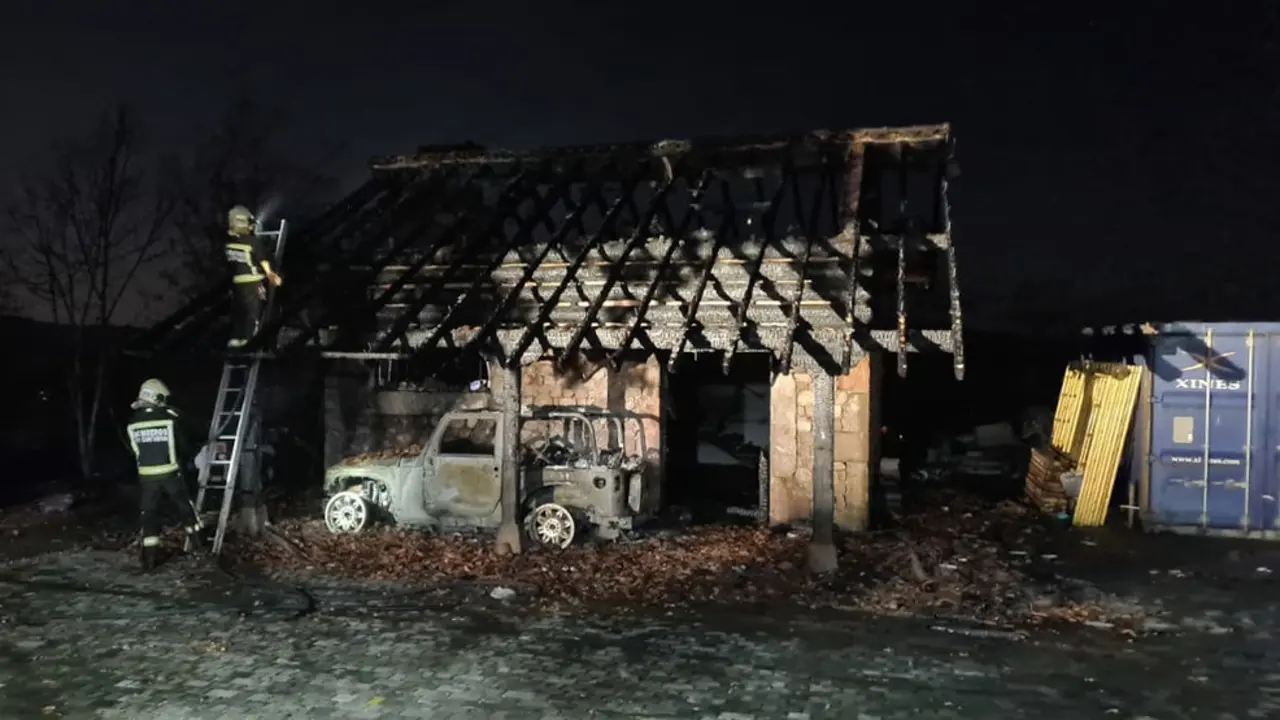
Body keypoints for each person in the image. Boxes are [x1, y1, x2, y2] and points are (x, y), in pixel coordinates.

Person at [125, 378, 203, 570]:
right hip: (170, 475)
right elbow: (183, 446)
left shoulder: (132, 423)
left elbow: (134, 451)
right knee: (186, 509)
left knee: (149, 516)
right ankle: (199, 548)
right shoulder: (169, 418)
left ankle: (149, 561)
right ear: (157, 397)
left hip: (146, 479)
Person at [224, 205, 283, 349]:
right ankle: (250, 340)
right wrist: (270, 274)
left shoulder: (229, 244)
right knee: (254, 313)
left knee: (240, 313)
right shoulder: (253, 242)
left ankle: (236, 338)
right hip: (254, 282)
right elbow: (263, 259)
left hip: (237, 284)